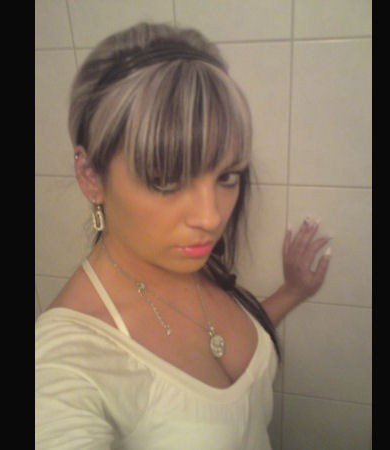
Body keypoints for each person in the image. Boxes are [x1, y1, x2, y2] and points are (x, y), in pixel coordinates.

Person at [35, 22, 331, 449]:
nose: (211, 217)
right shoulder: (64, 363)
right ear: (90, 177)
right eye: (165, 180)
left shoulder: (190, 260)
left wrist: (292, 291)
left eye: (227, 176)